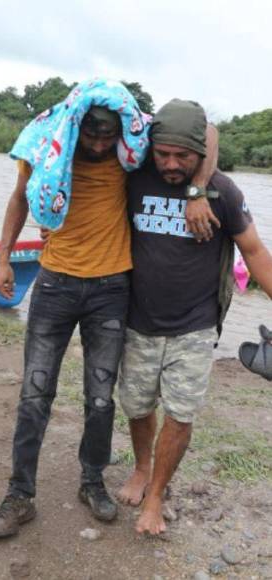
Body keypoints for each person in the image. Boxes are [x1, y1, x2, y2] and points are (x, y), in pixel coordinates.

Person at [0, 82, 218, 540]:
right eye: (90, 135)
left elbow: (206, 131)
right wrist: (3, 257)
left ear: (119, 132)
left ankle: (92, 482)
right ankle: (20, 494)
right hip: (54, 284)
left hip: (112, 288)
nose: (97, 143)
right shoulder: (46, 149)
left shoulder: (131, 150)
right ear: (76, 126)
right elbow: (18, 198)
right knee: (35, 395)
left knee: (99, 397)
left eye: (105, 136)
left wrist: (197, 191)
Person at [116, 99, 272, 536]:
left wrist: (200, 190)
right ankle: (141, 469)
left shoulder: (223, 192)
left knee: (181, 415)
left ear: (199, 154)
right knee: (138, 405)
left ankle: (157, 495)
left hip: (195, 325)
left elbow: (255, 252)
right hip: (137, 320)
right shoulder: (132, 181)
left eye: (182, 156)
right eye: (162, 153)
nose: (170, 164)